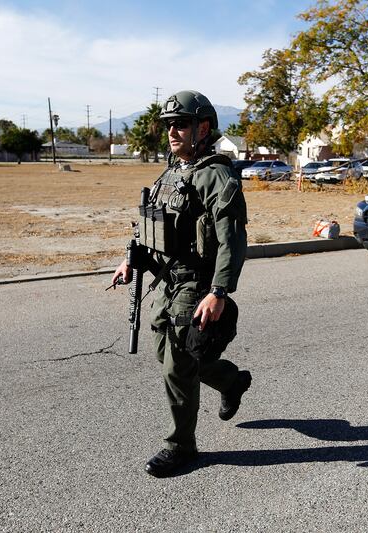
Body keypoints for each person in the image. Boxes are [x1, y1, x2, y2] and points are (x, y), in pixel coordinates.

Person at [112, 90, 251, 477]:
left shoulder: (216, 175)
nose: (173, 131)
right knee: (170, 357)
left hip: (198, 285)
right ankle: (231, 381)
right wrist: (131, 257)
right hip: (166, 281)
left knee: (177, 366)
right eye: (169, 125)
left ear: (203, 127)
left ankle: (181, 446)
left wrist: (218, 292)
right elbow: (153, 224)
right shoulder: (172, 172)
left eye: (181, 124)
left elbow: (232, 239)